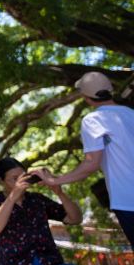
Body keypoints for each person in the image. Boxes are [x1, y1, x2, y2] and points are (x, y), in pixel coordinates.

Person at [31, 72, 134, 248]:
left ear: (87, 98)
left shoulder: (93, 120)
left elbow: (91, 163)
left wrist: (54, 180)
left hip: (128, 200)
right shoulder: (130, 113)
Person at [0, 157, 91, 265]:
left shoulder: (37, 199)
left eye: (22, 177)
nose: (20, 182)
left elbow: (75, 218)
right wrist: (13, 196)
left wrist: (59, 192)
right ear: (1, 181)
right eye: (13, 179)